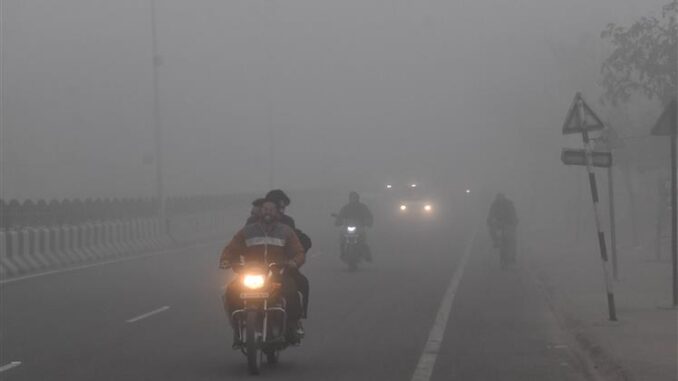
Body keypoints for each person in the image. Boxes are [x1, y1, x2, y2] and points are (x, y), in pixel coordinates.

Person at [220, 200, 306, 347]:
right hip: (250, 273)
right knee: (231, 292)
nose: (268, 212)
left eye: (271, 209)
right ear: (260, 212)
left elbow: (298, 251)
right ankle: (238, 329)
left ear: (277, 212)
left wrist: (294, 262)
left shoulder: (286, 231)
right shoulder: (247, 231)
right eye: (265, 209)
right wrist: (225, 260)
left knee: (292, 292)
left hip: (277, 274)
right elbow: (232, 248)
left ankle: (292, 326)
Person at [264, 190, 311, 323]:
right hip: (256, 269)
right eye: (280, 207)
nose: (281, 210)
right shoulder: (252, 221)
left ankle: (294, 322)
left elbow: (296, 243)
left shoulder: (287, 222)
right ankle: (238, 323)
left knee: (298, 286)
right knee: (232, 291)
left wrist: (294, 260)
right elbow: (241, 242)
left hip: (282, 268)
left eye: (283, 208)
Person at [335, 191, 374, 262]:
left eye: (355, 198)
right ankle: (342, 252)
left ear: (358, 198)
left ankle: (367, 255)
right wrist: (338, 221)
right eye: (352, 198)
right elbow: (340, 216)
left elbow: (369, 215)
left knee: (363, 240)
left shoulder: (363, 207)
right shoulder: (345, 207)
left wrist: (368, 222)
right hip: (347, 227)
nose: (353, 199)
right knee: (342, 239)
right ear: (349, 199)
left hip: (359, 227)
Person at [486, 193, 518, 264]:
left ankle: (513, 258)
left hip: (509, 223)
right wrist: (489, 221)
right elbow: (490, 214)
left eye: (501, 197)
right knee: (492, 230)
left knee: (512, 240)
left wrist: (514, 222)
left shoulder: (509, 204)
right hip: (499, 223)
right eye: (498, 197)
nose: (500, 199)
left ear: (504, 197)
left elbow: (514, 214)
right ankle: (496, 241)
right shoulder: (494, 204)